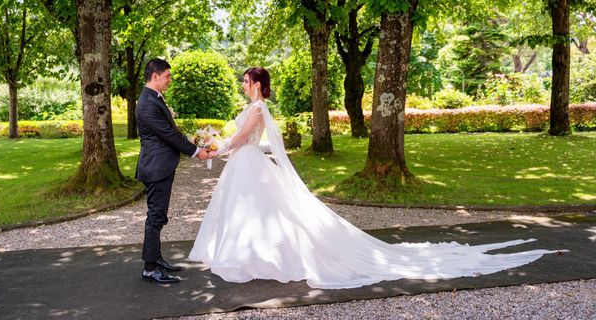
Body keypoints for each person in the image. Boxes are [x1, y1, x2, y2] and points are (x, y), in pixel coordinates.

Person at [188, 67, 562, 289]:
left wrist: (216, 148)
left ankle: (265, 257)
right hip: (245, 166)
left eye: (245, 81)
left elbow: (240, 139)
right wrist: (216, 146)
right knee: (252, 215)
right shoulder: (249, 106)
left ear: (256, 84)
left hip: (249, 164)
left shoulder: (257, 108)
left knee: (270, 212)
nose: (242, 84)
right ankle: (250, 253)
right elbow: (235, 139)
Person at [136, 58, 213, 285]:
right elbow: (168, 135)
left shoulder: (154, 98)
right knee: (155, 217)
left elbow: (171, 131)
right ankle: (149, 268)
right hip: (155, 167)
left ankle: (156, 258)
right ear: (155, 76)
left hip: (160, 166)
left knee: (158, 216)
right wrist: (196, 151)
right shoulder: (148, 102)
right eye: (167, 76)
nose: (170, 80)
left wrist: (193, 142)